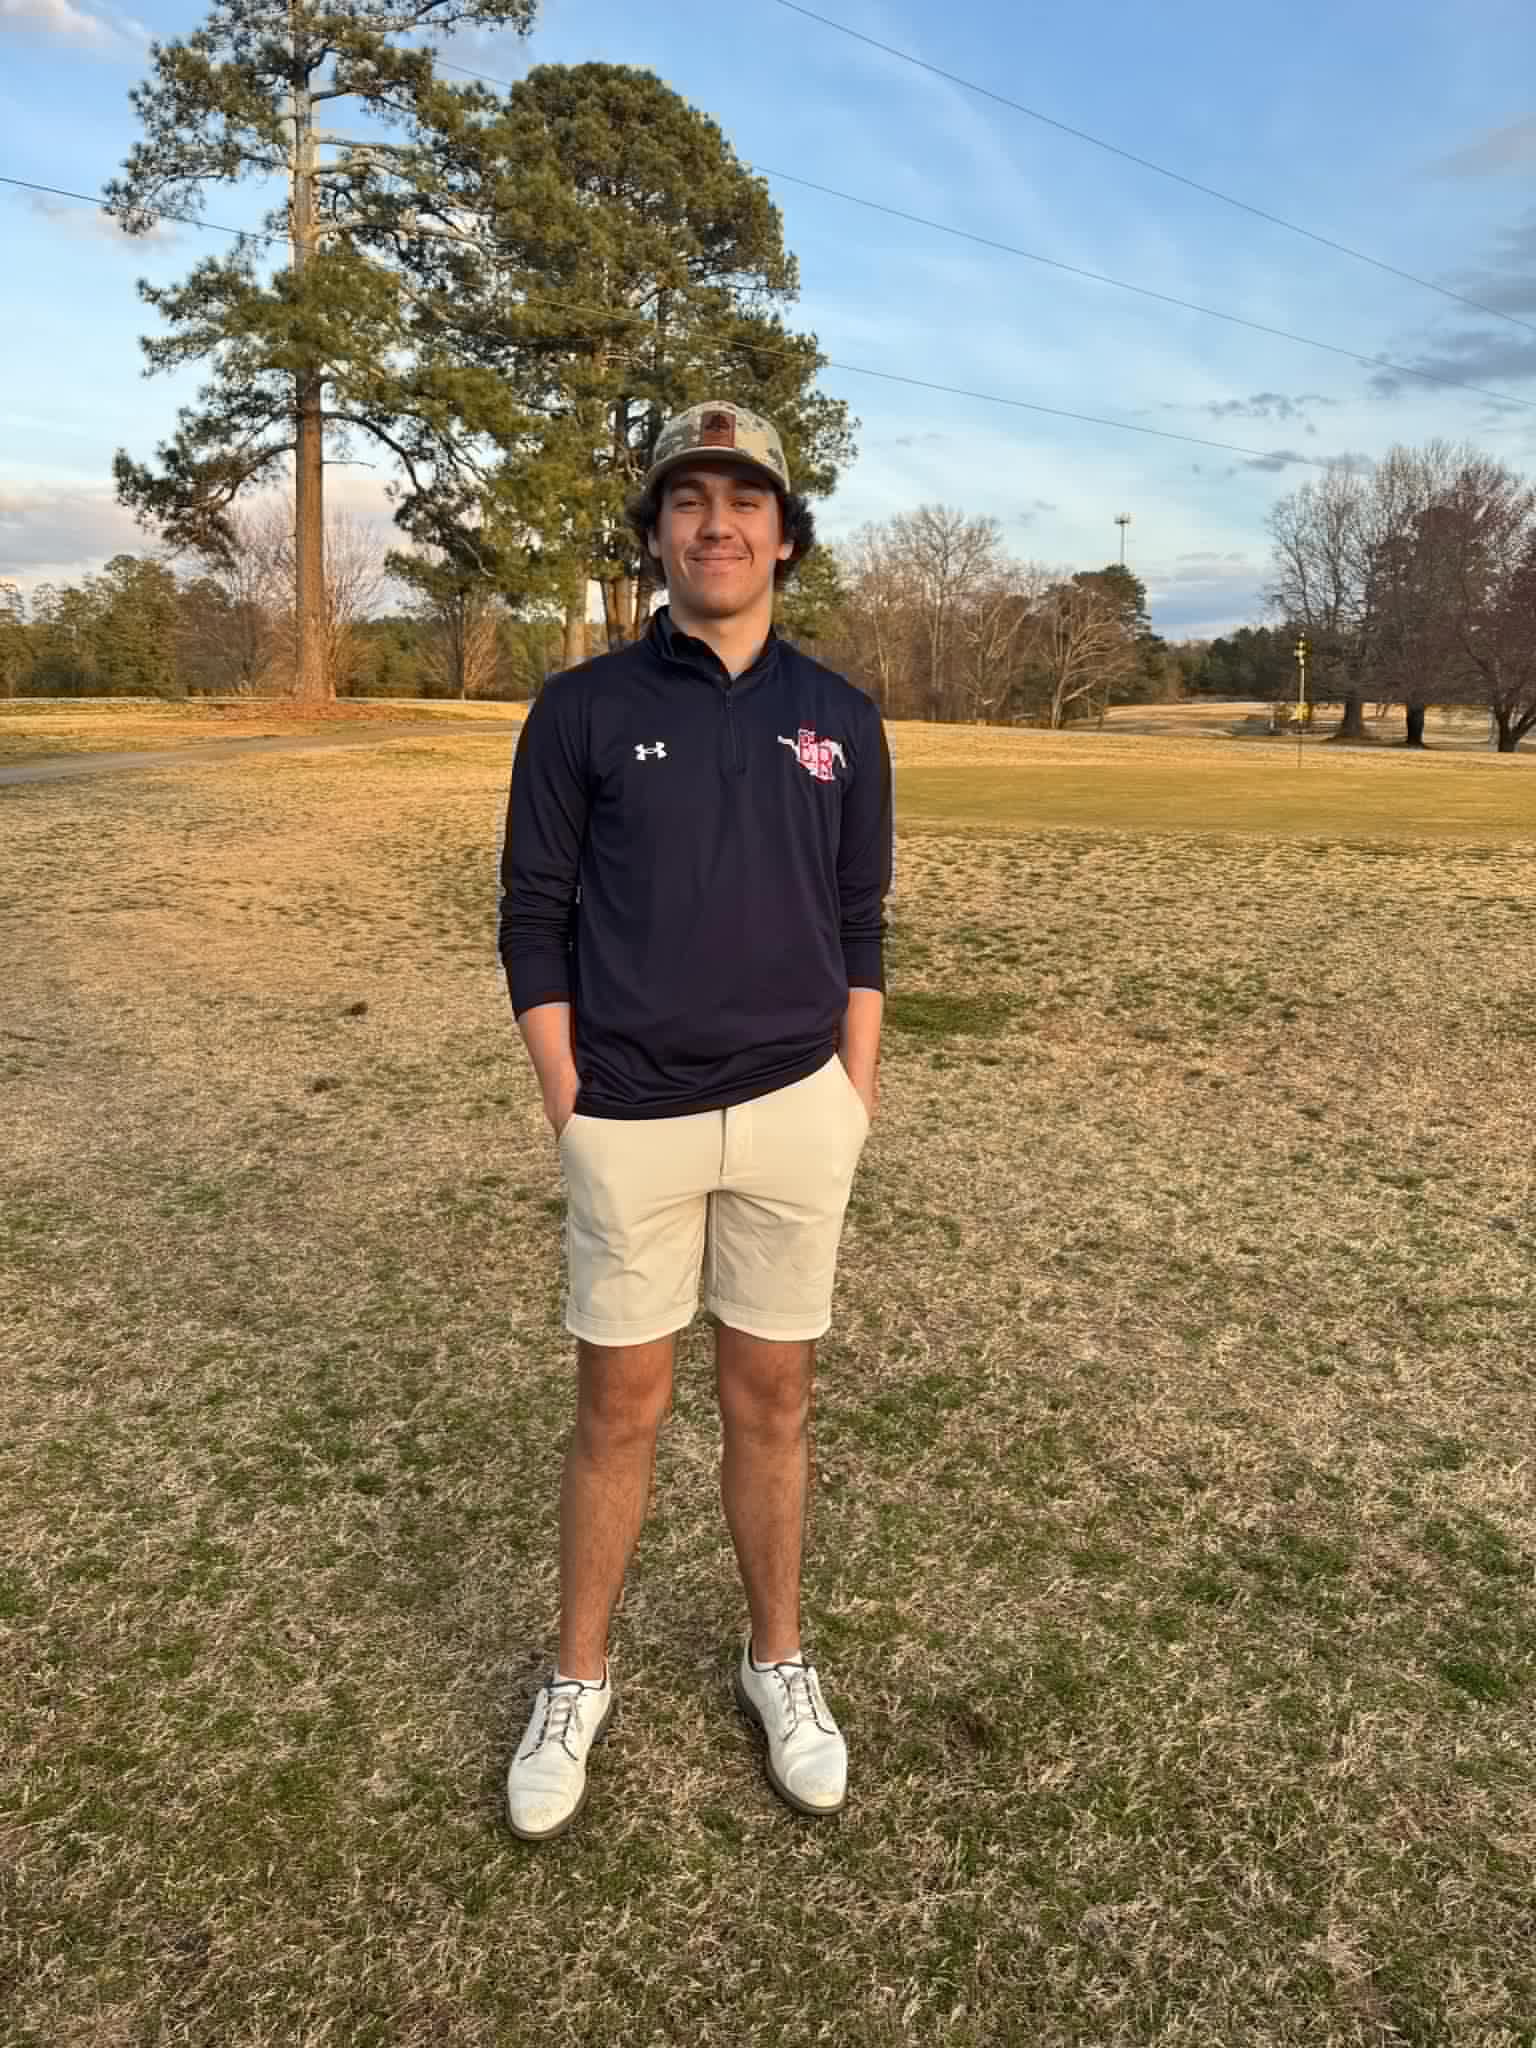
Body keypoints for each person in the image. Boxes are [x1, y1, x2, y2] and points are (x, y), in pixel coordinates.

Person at [497, 400, 893, 1840]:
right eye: (688, 501)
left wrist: (851, 1099)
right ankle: (576, 1677)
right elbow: (533, 919)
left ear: (785, 537)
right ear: (658, 535)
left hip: (796, 1110)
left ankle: (774, 1658)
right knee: (620, 1409)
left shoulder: (841, 718)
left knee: (773, 1400)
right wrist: (572, 1105)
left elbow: (861, 922)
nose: (716, 524)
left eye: (745, 501)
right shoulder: (583, 709)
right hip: (631, 1119)